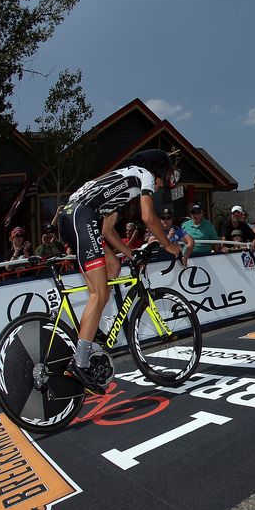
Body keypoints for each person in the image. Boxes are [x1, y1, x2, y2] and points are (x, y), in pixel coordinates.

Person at [58, 149, 182, 391]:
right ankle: (80, 362)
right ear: (156, 171)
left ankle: (89, 334)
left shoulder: (120, 182)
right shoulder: (143, 175)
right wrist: (168, 244)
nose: (159, 186)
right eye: (162, 179)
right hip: (81, 216)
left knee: (113, 266)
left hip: (73, 216)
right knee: (100, 293)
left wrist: (130, 254)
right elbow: (148, 216)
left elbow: (106, 230)